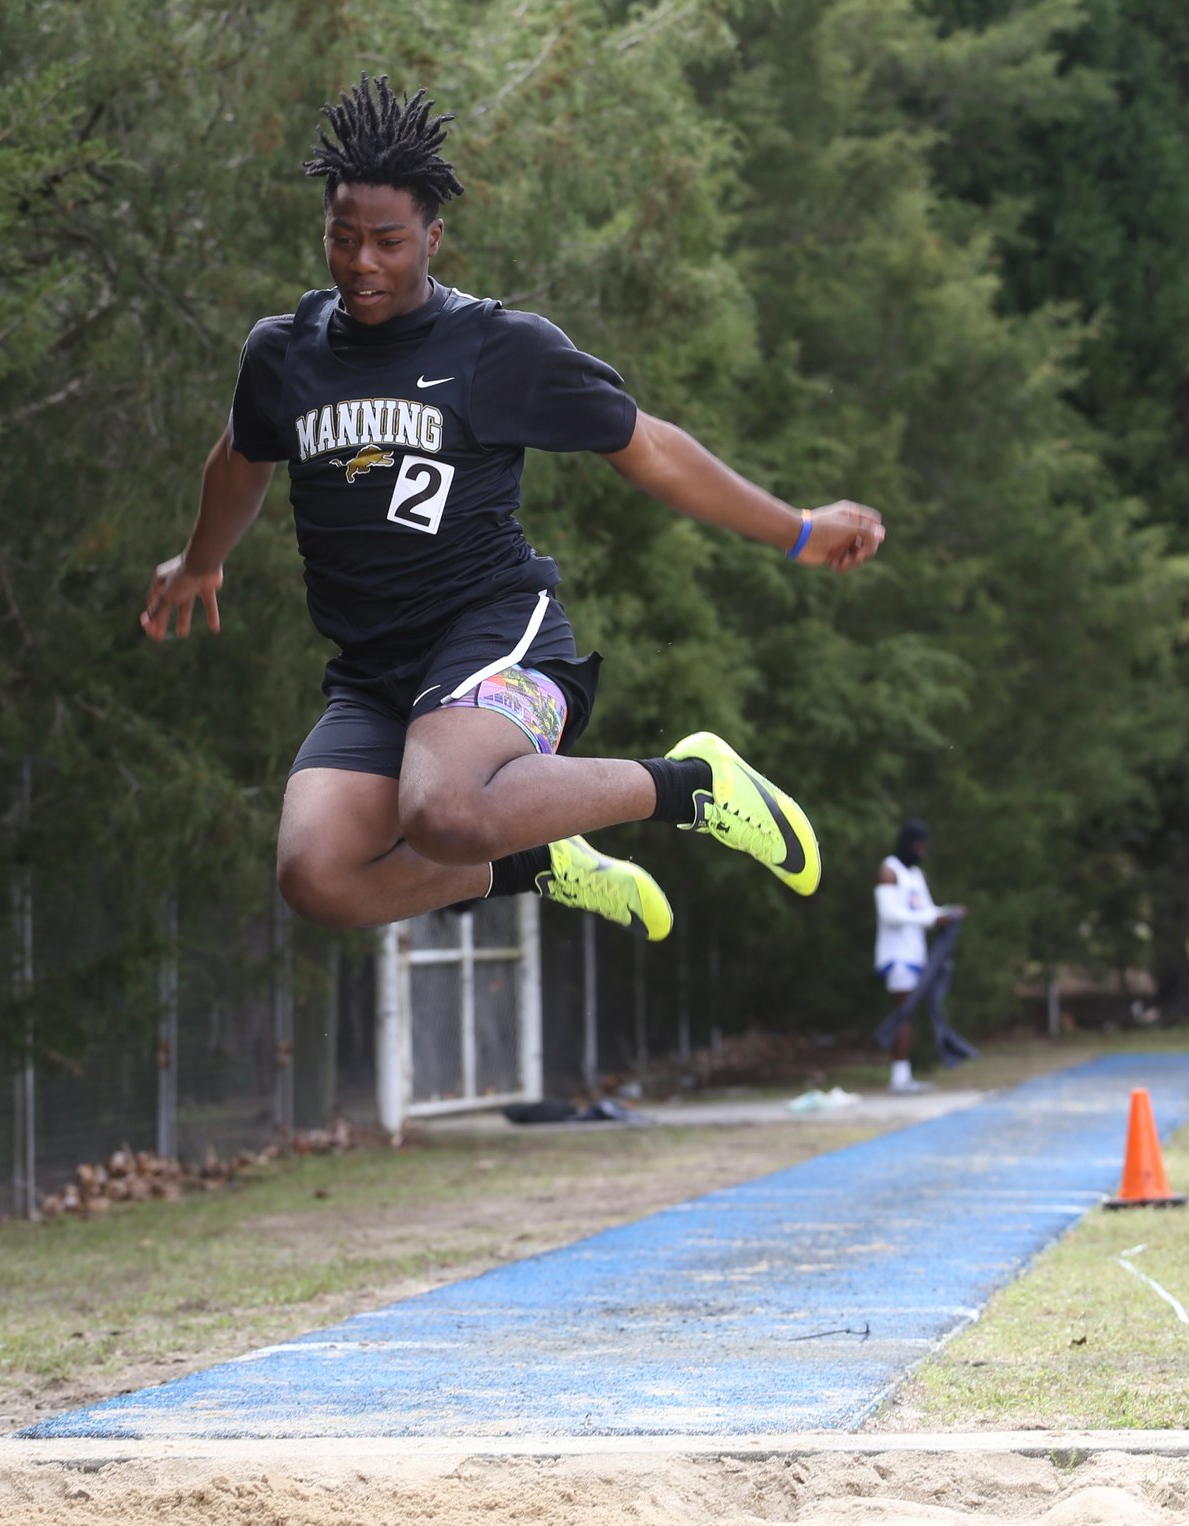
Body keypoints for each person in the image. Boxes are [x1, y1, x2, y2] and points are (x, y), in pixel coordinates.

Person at [141, 75, 885, 940]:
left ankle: (694, 785)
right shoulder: (286, 352)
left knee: (444, 811)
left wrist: (796, 530)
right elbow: (240, 459)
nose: (362, 263)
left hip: (493, 633)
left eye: (387, 241)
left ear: (433, 236)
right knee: (319, 876)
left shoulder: (496, 349)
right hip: (377, 668)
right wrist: (200, 559)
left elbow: (648, 447)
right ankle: (540, 862)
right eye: (343, 239)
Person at [874, 819, 965, 1092]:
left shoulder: (915, 875)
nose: (922, 851)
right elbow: (888, 913)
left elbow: (927, 909)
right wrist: (930, 919)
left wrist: (947, 912)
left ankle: (904, 1075)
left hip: (916, 955)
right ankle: (899, 1079)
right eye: (918, 846)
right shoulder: (889, 870)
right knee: (904, 1014)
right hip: (897, 956)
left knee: (909, 1015)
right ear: (908, 843)